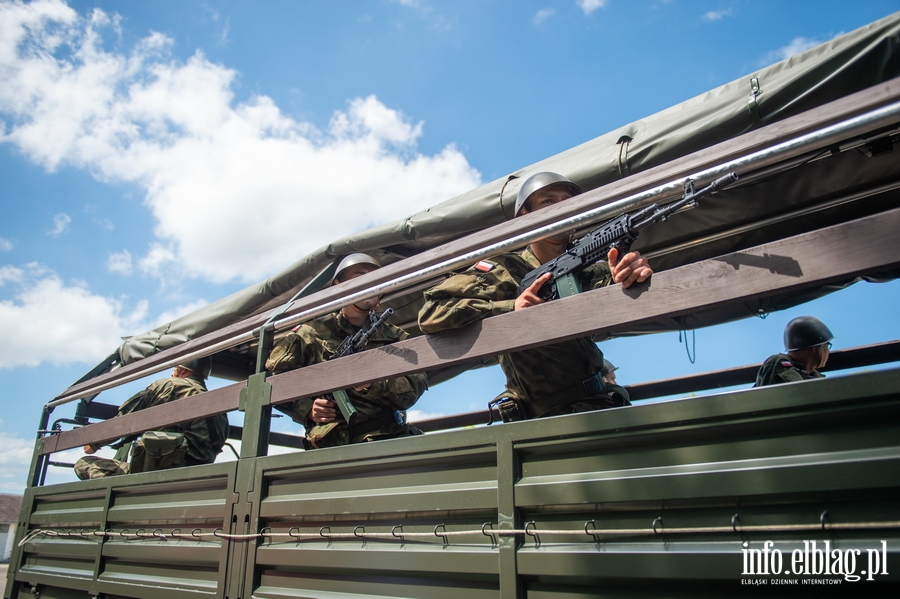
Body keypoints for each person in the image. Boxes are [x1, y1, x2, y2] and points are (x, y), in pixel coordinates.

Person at [418, 172, 652, 421]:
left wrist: (626, 278)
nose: (561, 207)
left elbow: (614, 302)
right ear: (525, 215)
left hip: (599, 404)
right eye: (548, 202)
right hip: (545, 418)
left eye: (567, 200)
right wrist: (510, 308)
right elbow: (432, 312)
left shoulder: (589, 266)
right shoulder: (505, 270)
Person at [265, 253, 428, 448]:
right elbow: (272, 382)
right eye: (359, 277)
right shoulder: (311, 332)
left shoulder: (396, 337)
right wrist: (307, 408)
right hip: (330, 445)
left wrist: (373, 383)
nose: (369, 284)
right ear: (338, 285)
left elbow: (413, 389)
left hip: (386, 439)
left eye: (375, 279)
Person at [74, 358, 228, 480]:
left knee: (83, 464)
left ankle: (120, 498)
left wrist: (93, 443)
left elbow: (124, 420)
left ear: (182, 370)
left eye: (174, 369)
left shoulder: (168, 385)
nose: (172, 373)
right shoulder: (217, 405)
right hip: (197, 478)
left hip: (157, 475)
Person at [754, 316, 834, 387]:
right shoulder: (778, 363)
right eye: (827, 346)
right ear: (814, 348)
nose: (828, 351)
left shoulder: (811, 375)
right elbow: (800, 393)